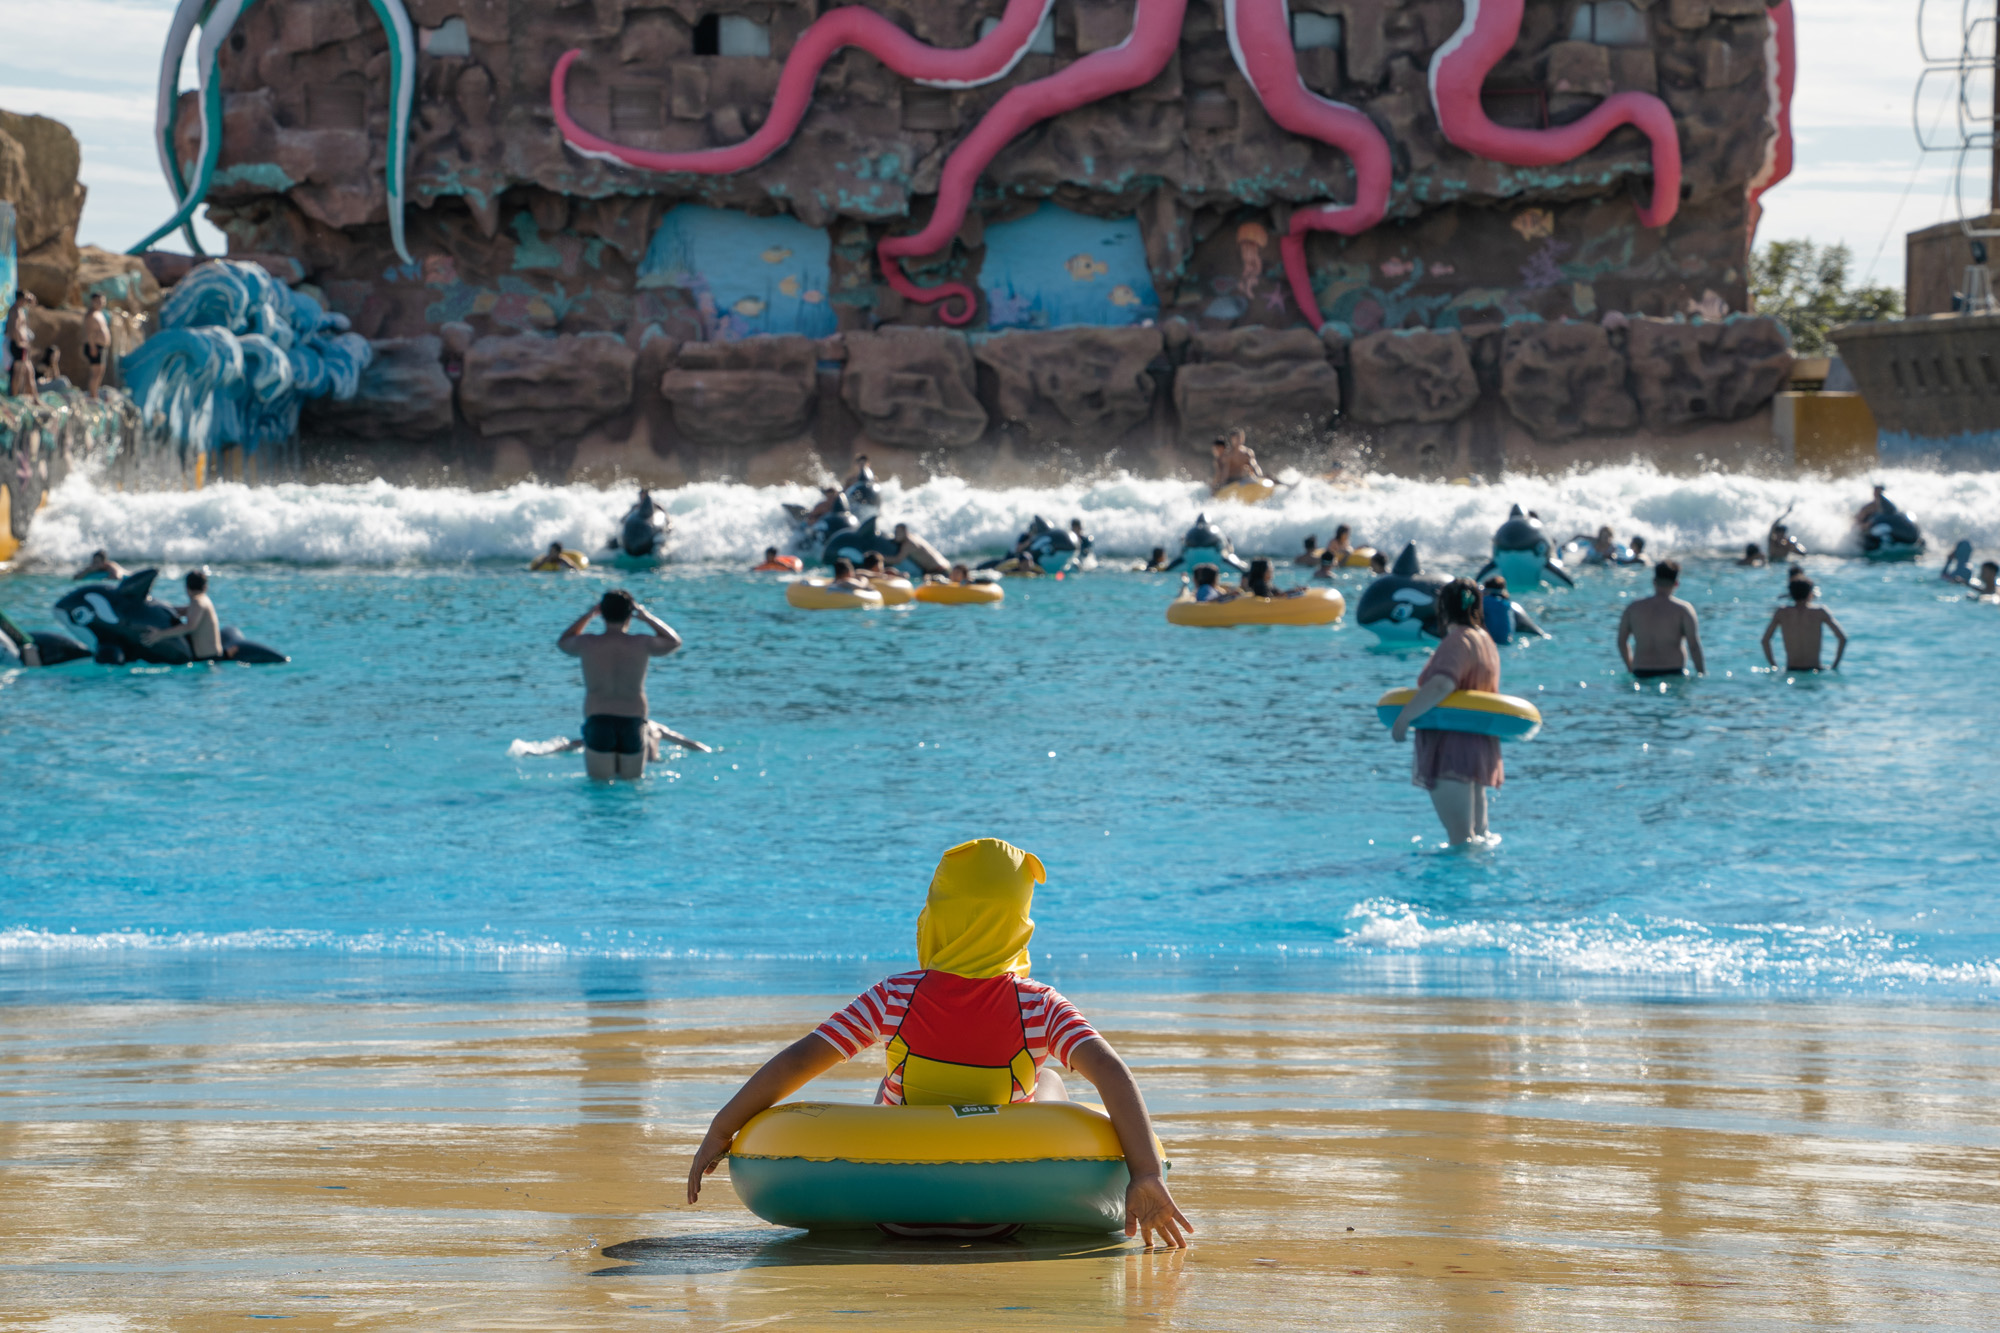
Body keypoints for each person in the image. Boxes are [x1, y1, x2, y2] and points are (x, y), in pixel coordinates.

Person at [685, 838, 1192, 1248]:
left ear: (935, 915)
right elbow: (1111, 1071)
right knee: (1053, 1078)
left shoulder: (894, 996)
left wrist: (723, 1127)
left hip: (892, 1209)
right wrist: (1145, 1172)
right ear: (1019, 925)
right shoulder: (1039, 1006)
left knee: (891, 1087)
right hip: (1003, 1211)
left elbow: (799, 1059)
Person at [1389, 578, 1503, 847]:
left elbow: (1443, 684)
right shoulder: (1485, 640)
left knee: (1460, 841)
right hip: (1478, 748)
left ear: (1443, 608)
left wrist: (1403, 719)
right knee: (1479, 838)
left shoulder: (1458, 640)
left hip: (1452, 751)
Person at [556, 589, 684, 781]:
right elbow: (673, 642)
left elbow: (563, 642)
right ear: (629, 614)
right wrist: (646, 616)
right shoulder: (641, 643)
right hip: (632, 721)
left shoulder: (587, 643)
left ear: (602, 613)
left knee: (599, 789)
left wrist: (589, 614)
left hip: (599, 720)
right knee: (631, 787)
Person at [1616, 559, 1705, 678]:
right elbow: (1693, 646)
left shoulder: (1633, 608)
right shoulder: (1683, 610)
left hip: (1641, 671)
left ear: (1654, 581)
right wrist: (1701, 673)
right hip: (1673, 672)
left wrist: (1629, 667)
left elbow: (1621, 641)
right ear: (1676, 583)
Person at [1762, 576, 1847, 671]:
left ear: (1791, 594)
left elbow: (1765, 640)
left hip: (1791, 670)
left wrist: (1774, 666)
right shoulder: (1820, 612)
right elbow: (1842, 638)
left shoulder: (1781, 613)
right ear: (1810, 594)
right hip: (1815, 669)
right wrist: (1834, 666)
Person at [139, 569, 227, 660]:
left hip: (208, 659)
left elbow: (189, 627)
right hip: (211, 658)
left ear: (186, 587)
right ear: (205, 587)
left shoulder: (198, 602)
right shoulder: (203, 600)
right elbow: (183, 610)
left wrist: (160, 635)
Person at [1480, 576, 1547, 644]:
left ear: (1486, 591)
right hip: (1507, 642)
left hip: (1490, 643)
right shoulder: (1509, 606)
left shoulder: (1484, 602)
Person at [5, 290, 38, 400]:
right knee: (18, 373)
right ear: (20, 299)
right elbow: (13, 329)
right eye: (25, 299)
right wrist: (20, 343)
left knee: (27, 372)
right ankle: (14, 396)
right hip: (18, 345)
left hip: (21, 345)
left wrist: (30, 297)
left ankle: (33, 397)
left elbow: (33, 303)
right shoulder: (14, 311)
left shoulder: (20, 310)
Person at [82, 292, 110, 394]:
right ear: (93, 302)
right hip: (94, 346)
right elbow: (90, 332)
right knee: (96, 372)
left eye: (102, 301)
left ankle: (95, 393)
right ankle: (92, 395)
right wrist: (92, 346)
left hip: (101, 346)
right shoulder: (91, 315)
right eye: (98, 301)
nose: (100, 303)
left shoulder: (100, 314)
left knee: (100, 372)